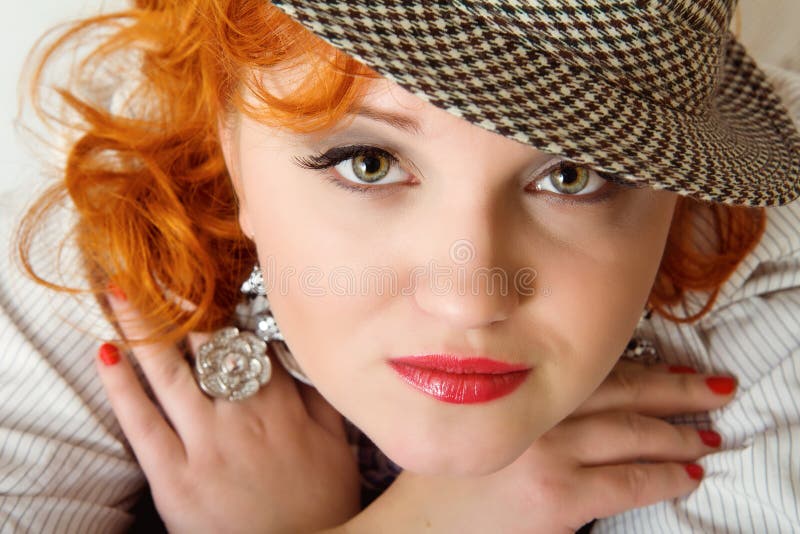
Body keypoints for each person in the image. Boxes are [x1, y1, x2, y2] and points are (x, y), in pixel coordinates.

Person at [1, 0, 799, 532]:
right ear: (226, 140)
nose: (468, 300)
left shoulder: (768, 274)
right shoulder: (106, 236)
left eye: (572, 175)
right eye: (371, 163)